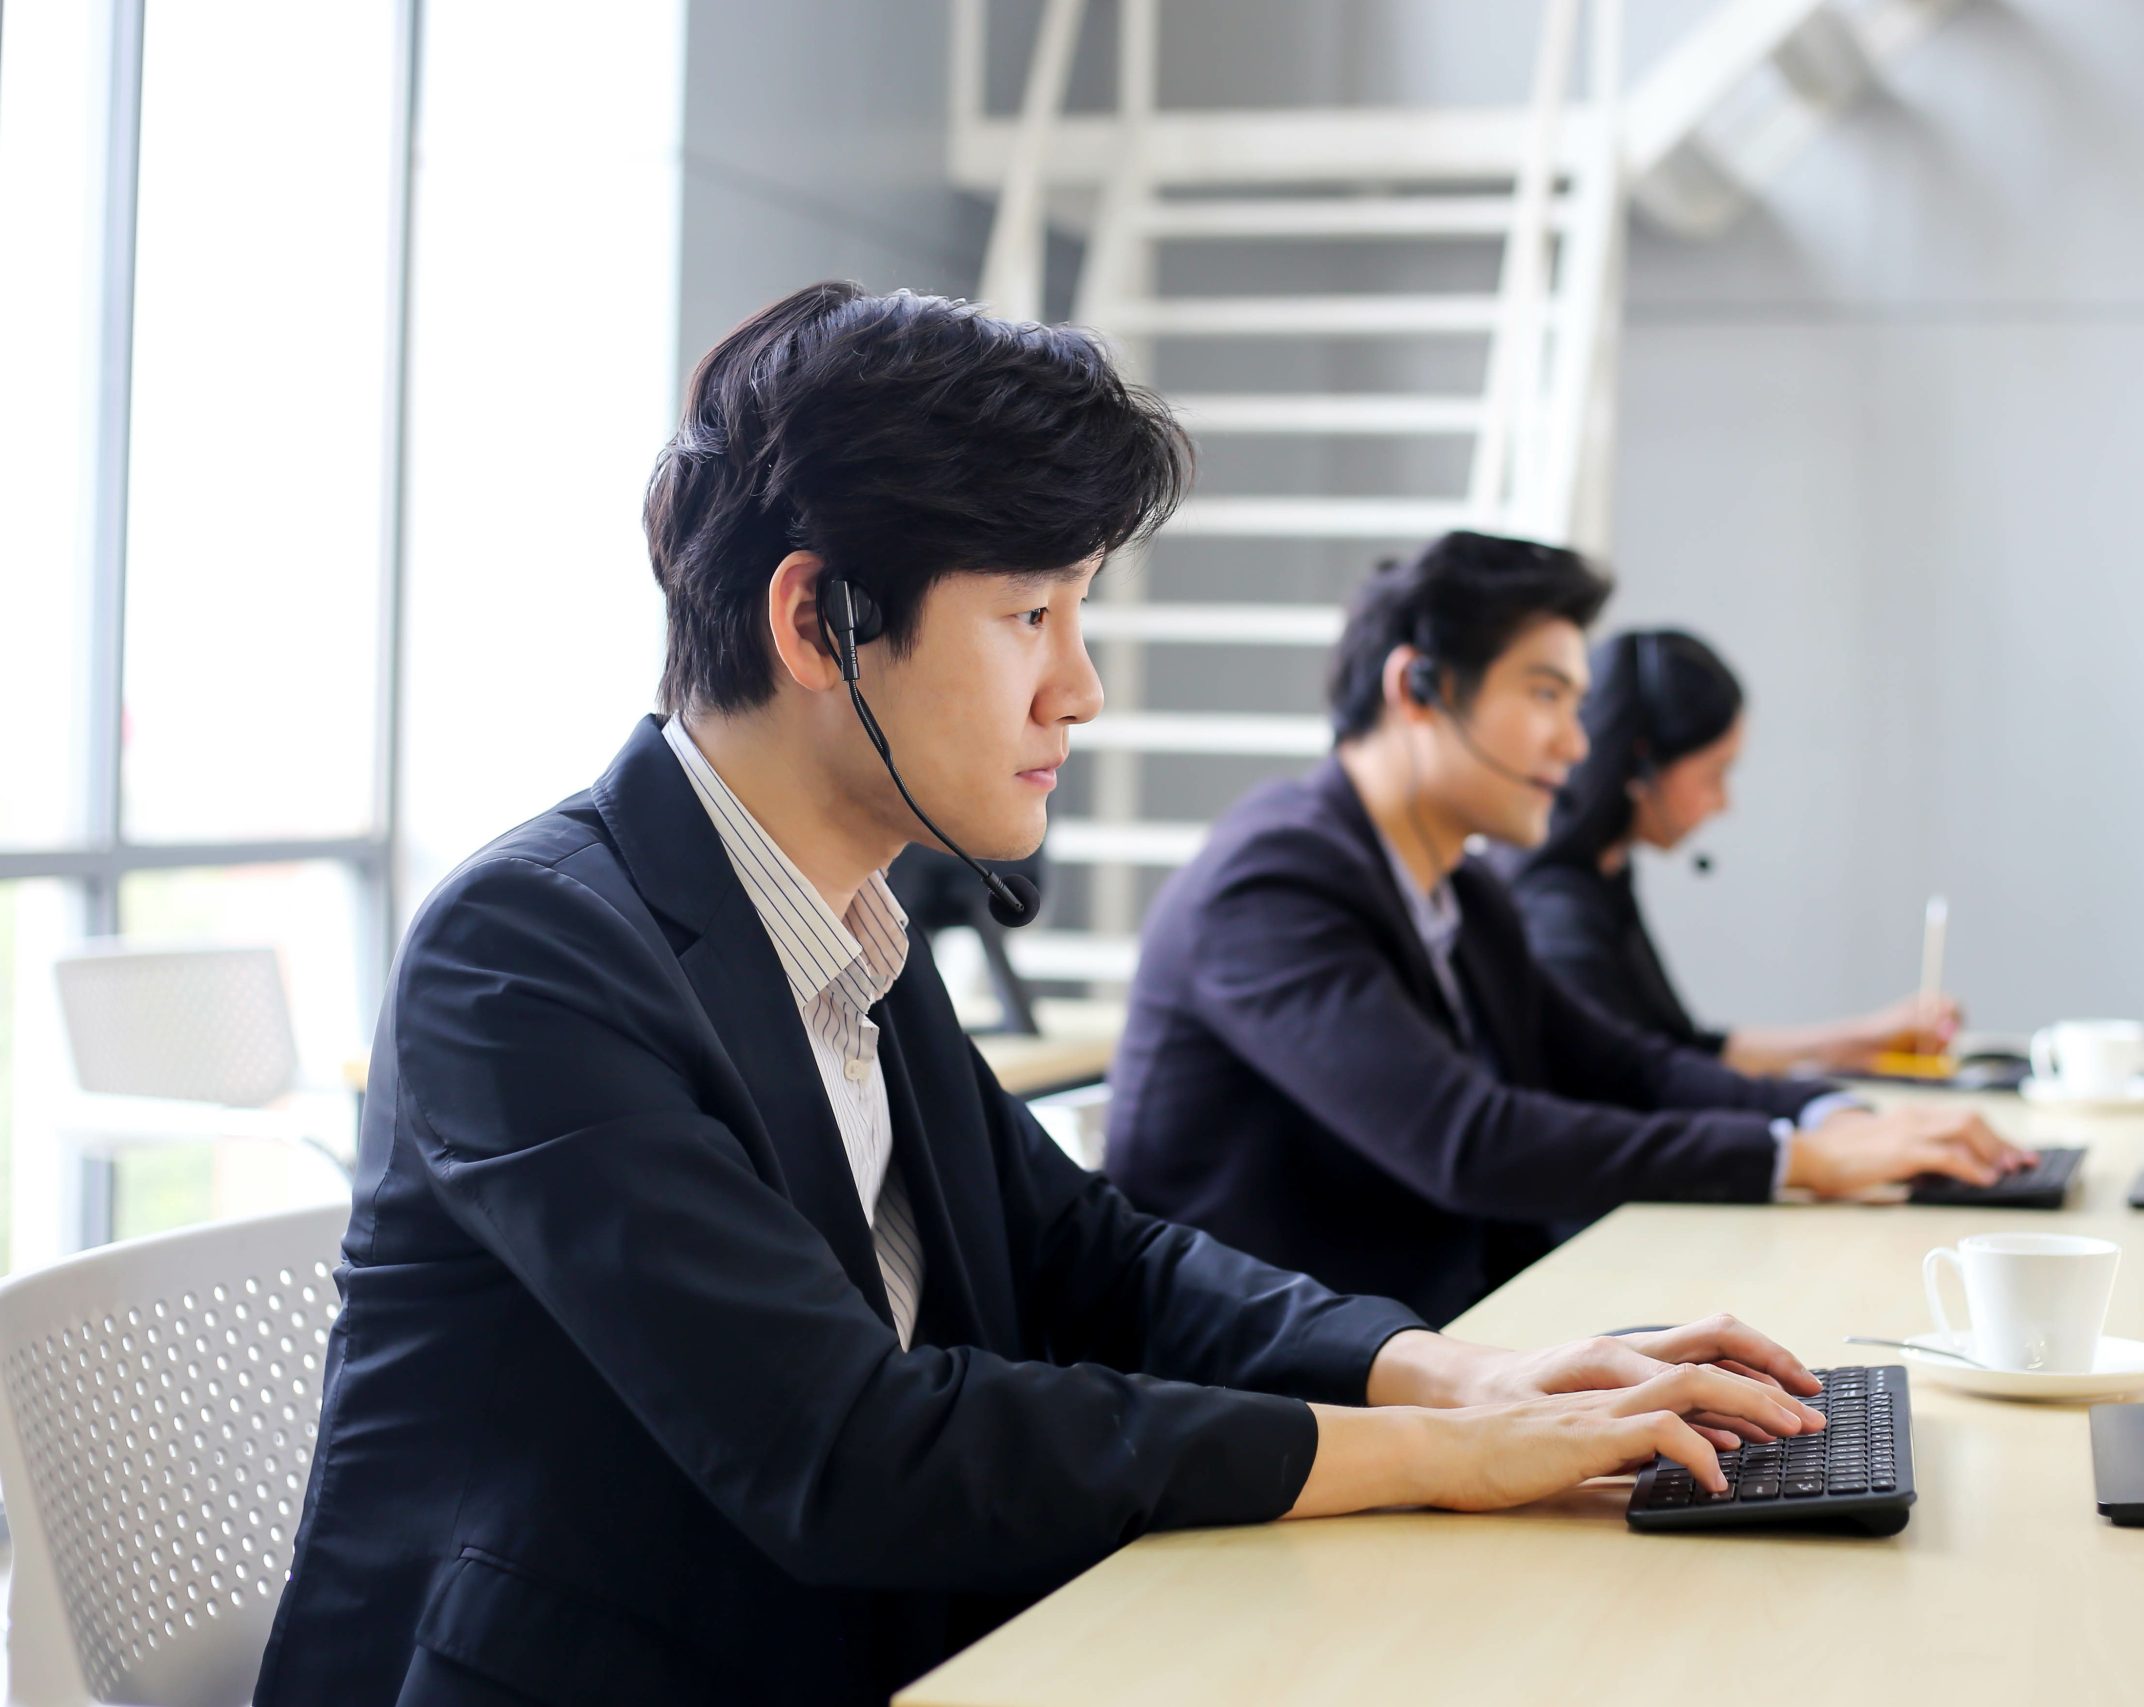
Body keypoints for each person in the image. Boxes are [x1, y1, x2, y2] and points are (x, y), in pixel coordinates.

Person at [253, 288, 1835, 1707]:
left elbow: (1096, 1254)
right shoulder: (527, 951)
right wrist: (1436, 1454)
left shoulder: (849, 919)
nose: (1079, 685)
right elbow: (847, 1445)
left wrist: (1455, 1371)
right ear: (820, 621)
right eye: (1030, 615)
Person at [1105, 534, 2027, 1324]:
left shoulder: (1462, 890)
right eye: (1546, 695)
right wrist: (1803, 1159)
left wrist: (1831, 1112)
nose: (1576, 743)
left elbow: (1632, 1067)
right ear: (1418, 687)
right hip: (1270, 1393)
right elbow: (1469, 1141)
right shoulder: (1270, 885)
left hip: (1424, 1344)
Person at [1499, 628, 1959, 1073]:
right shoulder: (1559, 918)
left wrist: (1862, 1039)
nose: (1723, 802)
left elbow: (1680, 1050)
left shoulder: (1605, 874)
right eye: (1714, 774)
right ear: (1642, 764)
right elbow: (1649, 1083)